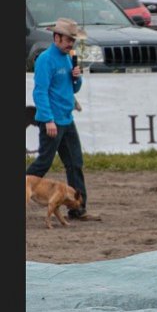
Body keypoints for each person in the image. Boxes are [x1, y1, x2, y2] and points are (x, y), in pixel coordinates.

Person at [26, 18, 100, 222]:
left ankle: (78, 208)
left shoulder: (68, 58)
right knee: (42, 164)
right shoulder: (45, 59)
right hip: (52, 121)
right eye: (69, 40)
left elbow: (72, 88)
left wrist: (77, 77)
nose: (71, 44)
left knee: (75, 163)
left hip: (67, 119)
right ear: (57, 38)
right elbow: (40, 92)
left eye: (73, 41)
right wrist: (48, 119)